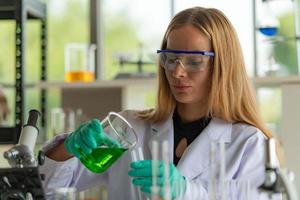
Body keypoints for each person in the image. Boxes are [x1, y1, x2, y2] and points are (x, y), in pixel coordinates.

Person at [40, 6, 278, 200]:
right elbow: (44, 191)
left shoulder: (248, 144)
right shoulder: (130, 128)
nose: (177, 72)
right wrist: (68, 148)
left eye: (194, 61)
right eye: (171, 58)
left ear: (223, 66)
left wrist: (184, 191)